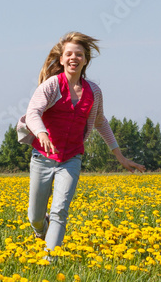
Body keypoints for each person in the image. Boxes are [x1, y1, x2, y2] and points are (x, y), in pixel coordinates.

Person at [17, 31, 144, 260]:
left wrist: (120, 157)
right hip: (42, 158)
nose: (73, 58)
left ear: (86, 60)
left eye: (79, 54)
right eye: (69, 54)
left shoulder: (93, 92)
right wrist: (42, 133)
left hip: (71, 159)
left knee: (60, 210)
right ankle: (41, 231)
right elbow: (33, 112)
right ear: (62, 59)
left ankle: (50, 260)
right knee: (35, 216)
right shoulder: (51, 86)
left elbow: (100, 122)